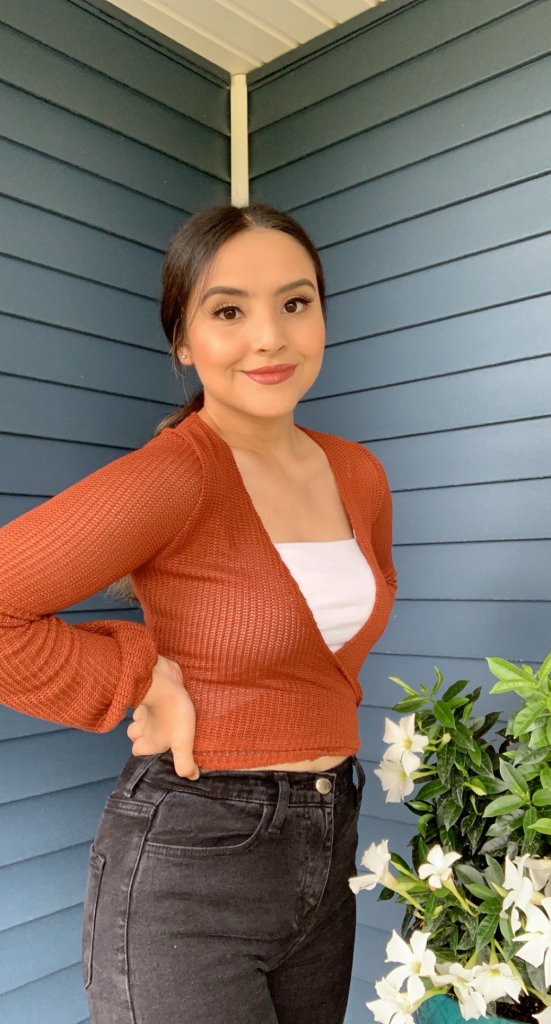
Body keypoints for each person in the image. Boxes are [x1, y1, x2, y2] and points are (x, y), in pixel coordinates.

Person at [0, 202, 398, 1023]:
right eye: (228, 311)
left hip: (328, 848)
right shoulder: (176, 476)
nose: (269, 338)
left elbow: (319, 663)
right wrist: (136, 675)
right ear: (182, 342)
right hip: (194, 860)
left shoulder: (359, 474)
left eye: (295, 303)